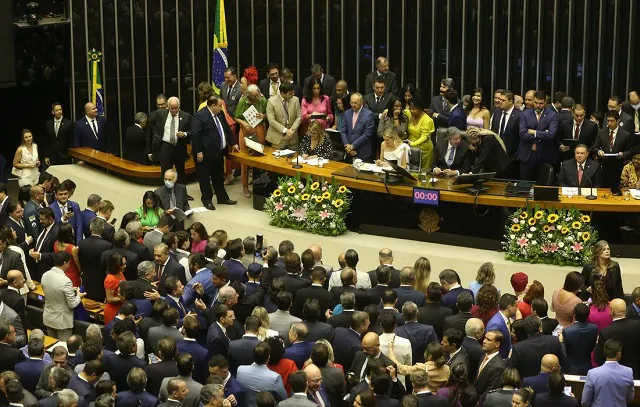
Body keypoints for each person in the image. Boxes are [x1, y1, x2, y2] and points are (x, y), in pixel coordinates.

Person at [191, 95, 239, 211]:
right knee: (205, 178)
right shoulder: (199, 116)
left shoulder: (220, 114)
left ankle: (222, 197)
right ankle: (207, 200)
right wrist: (198, 151)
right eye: (220, 106)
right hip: (205, 154)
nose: (221, 108)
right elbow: (195, 135)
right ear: (213, 106)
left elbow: (226, 129)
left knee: (218, 176)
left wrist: (233, 143)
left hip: (219, 152)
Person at [41, 251, 85, 340]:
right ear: (65, 263)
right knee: (63, 349)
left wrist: (71, 291)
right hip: (62, 322)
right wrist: (79, 296)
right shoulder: (66, 281)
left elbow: (55, 291)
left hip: (49, 318)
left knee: (52, 348)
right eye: (69, 263)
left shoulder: (45, 275)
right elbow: (72, 304)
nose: (69, 265)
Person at [149, 96, 192, 185]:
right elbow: (150, 123)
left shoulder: (186, 116)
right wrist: (156, 135)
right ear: (167, 107)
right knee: (165, 171)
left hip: (179, 147)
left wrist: (184, 134)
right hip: (166, 146)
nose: (174, 110)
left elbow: (192, 131)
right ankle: (166, 194)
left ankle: (182, 193)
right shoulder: (161, 114)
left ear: (179, 107)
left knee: (180, 171)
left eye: (176, 108)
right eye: (171, 108)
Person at [234, 84, 268, 198]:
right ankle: (245, 186)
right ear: (248, 96)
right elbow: (236, 117)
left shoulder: (263, 99)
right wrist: (243, 123)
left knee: (259, 157)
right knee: (245, 159)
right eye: (253, 96)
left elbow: (269, 114)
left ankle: (259, 184)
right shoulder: (243, 101)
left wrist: (263, 116)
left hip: (259, 129)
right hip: (246, 129)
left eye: (257, 95)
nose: (256, 98)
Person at [518, 90, 558, 180]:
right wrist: (544, 133)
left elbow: (551, 135)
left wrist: (534, 132)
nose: (537, 105)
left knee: (543, 186)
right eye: (535, 102)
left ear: (545, 102)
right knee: (525, 185)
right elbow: (522, 134)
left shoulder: (552, 115)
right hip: (527, 155)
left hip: (544, 155)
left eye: (540, 103)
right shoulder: (525, 114)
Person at [594, 298, 640, 378]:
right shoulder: (637, 325)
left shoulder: (605, 332)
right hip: (636, 373)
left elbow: (599, 357)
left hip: (614, 376)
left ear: (611, 311)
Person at [583, 339, 635, 407]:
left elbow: (585, 402)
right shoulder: (628, 372)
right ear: (618, 354)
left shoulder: (592, 373)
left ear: (605, 353)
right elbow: (630, 397)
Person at [594, 110, 633, 188]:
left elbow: (630, 151)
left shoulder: (625, 135)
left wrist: (623, 154)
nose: (609, 123)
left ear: (618, 121)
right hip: (604, 166)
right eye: (608, 121)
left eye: (612, 121)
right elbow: (595, 147)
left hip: (618, 166)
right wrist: (599, 151)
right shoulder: (601, 132)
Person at [563, 303, 598, 374]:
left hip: (571, 367)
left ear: (574, 316)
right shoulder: (594, 328)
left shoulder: (567, 331)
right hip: (587, 365)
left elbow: (565, 349)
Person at [265, 83, 302, 150]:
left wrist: (291, 131)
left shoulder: (296, 99)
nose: (293, 94)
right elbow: (271, 120)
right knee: (277, 159)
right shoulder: (271, 101)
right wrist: (285, 131)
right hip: (278, 138)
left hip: (292, 138)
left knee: (294, 159)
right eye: (290, 93)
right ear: (282, 93)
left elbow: (299, 117)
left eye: (293, 92)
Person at [340, 93, 376, 161]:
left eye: (355, 103)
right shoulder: (347, 113)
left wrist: (352, 146)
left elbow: (367, 134)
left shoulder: (368, 114)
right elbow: (343, 131)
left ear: (362, 102)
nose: (353, 105)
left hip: (362, 151)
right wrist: (347, 145)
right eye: (351, 103)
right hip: (348, 151)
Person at [405, 98, 435, 170]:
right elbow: (399, 110)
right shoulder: (409, 113)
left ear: (420, 109)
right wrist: (386, 111)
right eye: (410, 108)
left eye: (414, 109)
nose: (411, 111)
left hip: (424, 149)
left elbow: (424, 136)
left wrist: (413, 144)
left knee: (423, 173)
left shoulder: (427, 120)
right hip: (411, 148)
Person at [103, 252, 126, 325]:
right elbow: (109, 299)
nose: (125, 266)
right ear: (117, 265)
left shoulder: (120, 273)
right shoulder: (110, 279)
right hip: (113, 312)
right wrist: (123, 298)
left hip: (120, 309)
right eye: (123, 264)